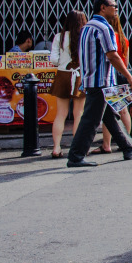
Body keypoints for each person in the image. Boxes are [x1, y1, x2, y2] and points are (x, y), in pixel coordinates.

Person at [65, 0, 132, 167]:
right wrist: (129, 77)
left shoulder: (87, 27)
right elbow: (112, 55)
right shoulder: (103, 28)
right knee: (90, 120)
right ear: (102, 7)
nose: (116, 9)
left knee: (109, 116)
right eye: (113, 6)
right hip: (101, 81)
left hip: (91, 80)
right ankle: (76, 156)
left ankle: (128, 147)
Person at [48, 11, 87, 159]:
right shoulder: (85, 36)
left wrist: (63, 63)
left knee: (61, 114)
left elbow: (53, 60)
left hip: (63, 75)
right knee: (79, 114)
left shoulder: (60, 36)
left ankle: (56, 148)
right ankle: (76, 148)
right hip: (79, 76)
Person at [98, 10, 132, 153]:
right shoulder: (124, 40)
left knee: (110, 110)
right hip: (122, 74)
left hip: (111, 75)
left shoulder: (107, 37)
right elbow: (126, 61)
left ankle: (107, 144)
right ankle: (126, 141)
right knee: (124, 110)